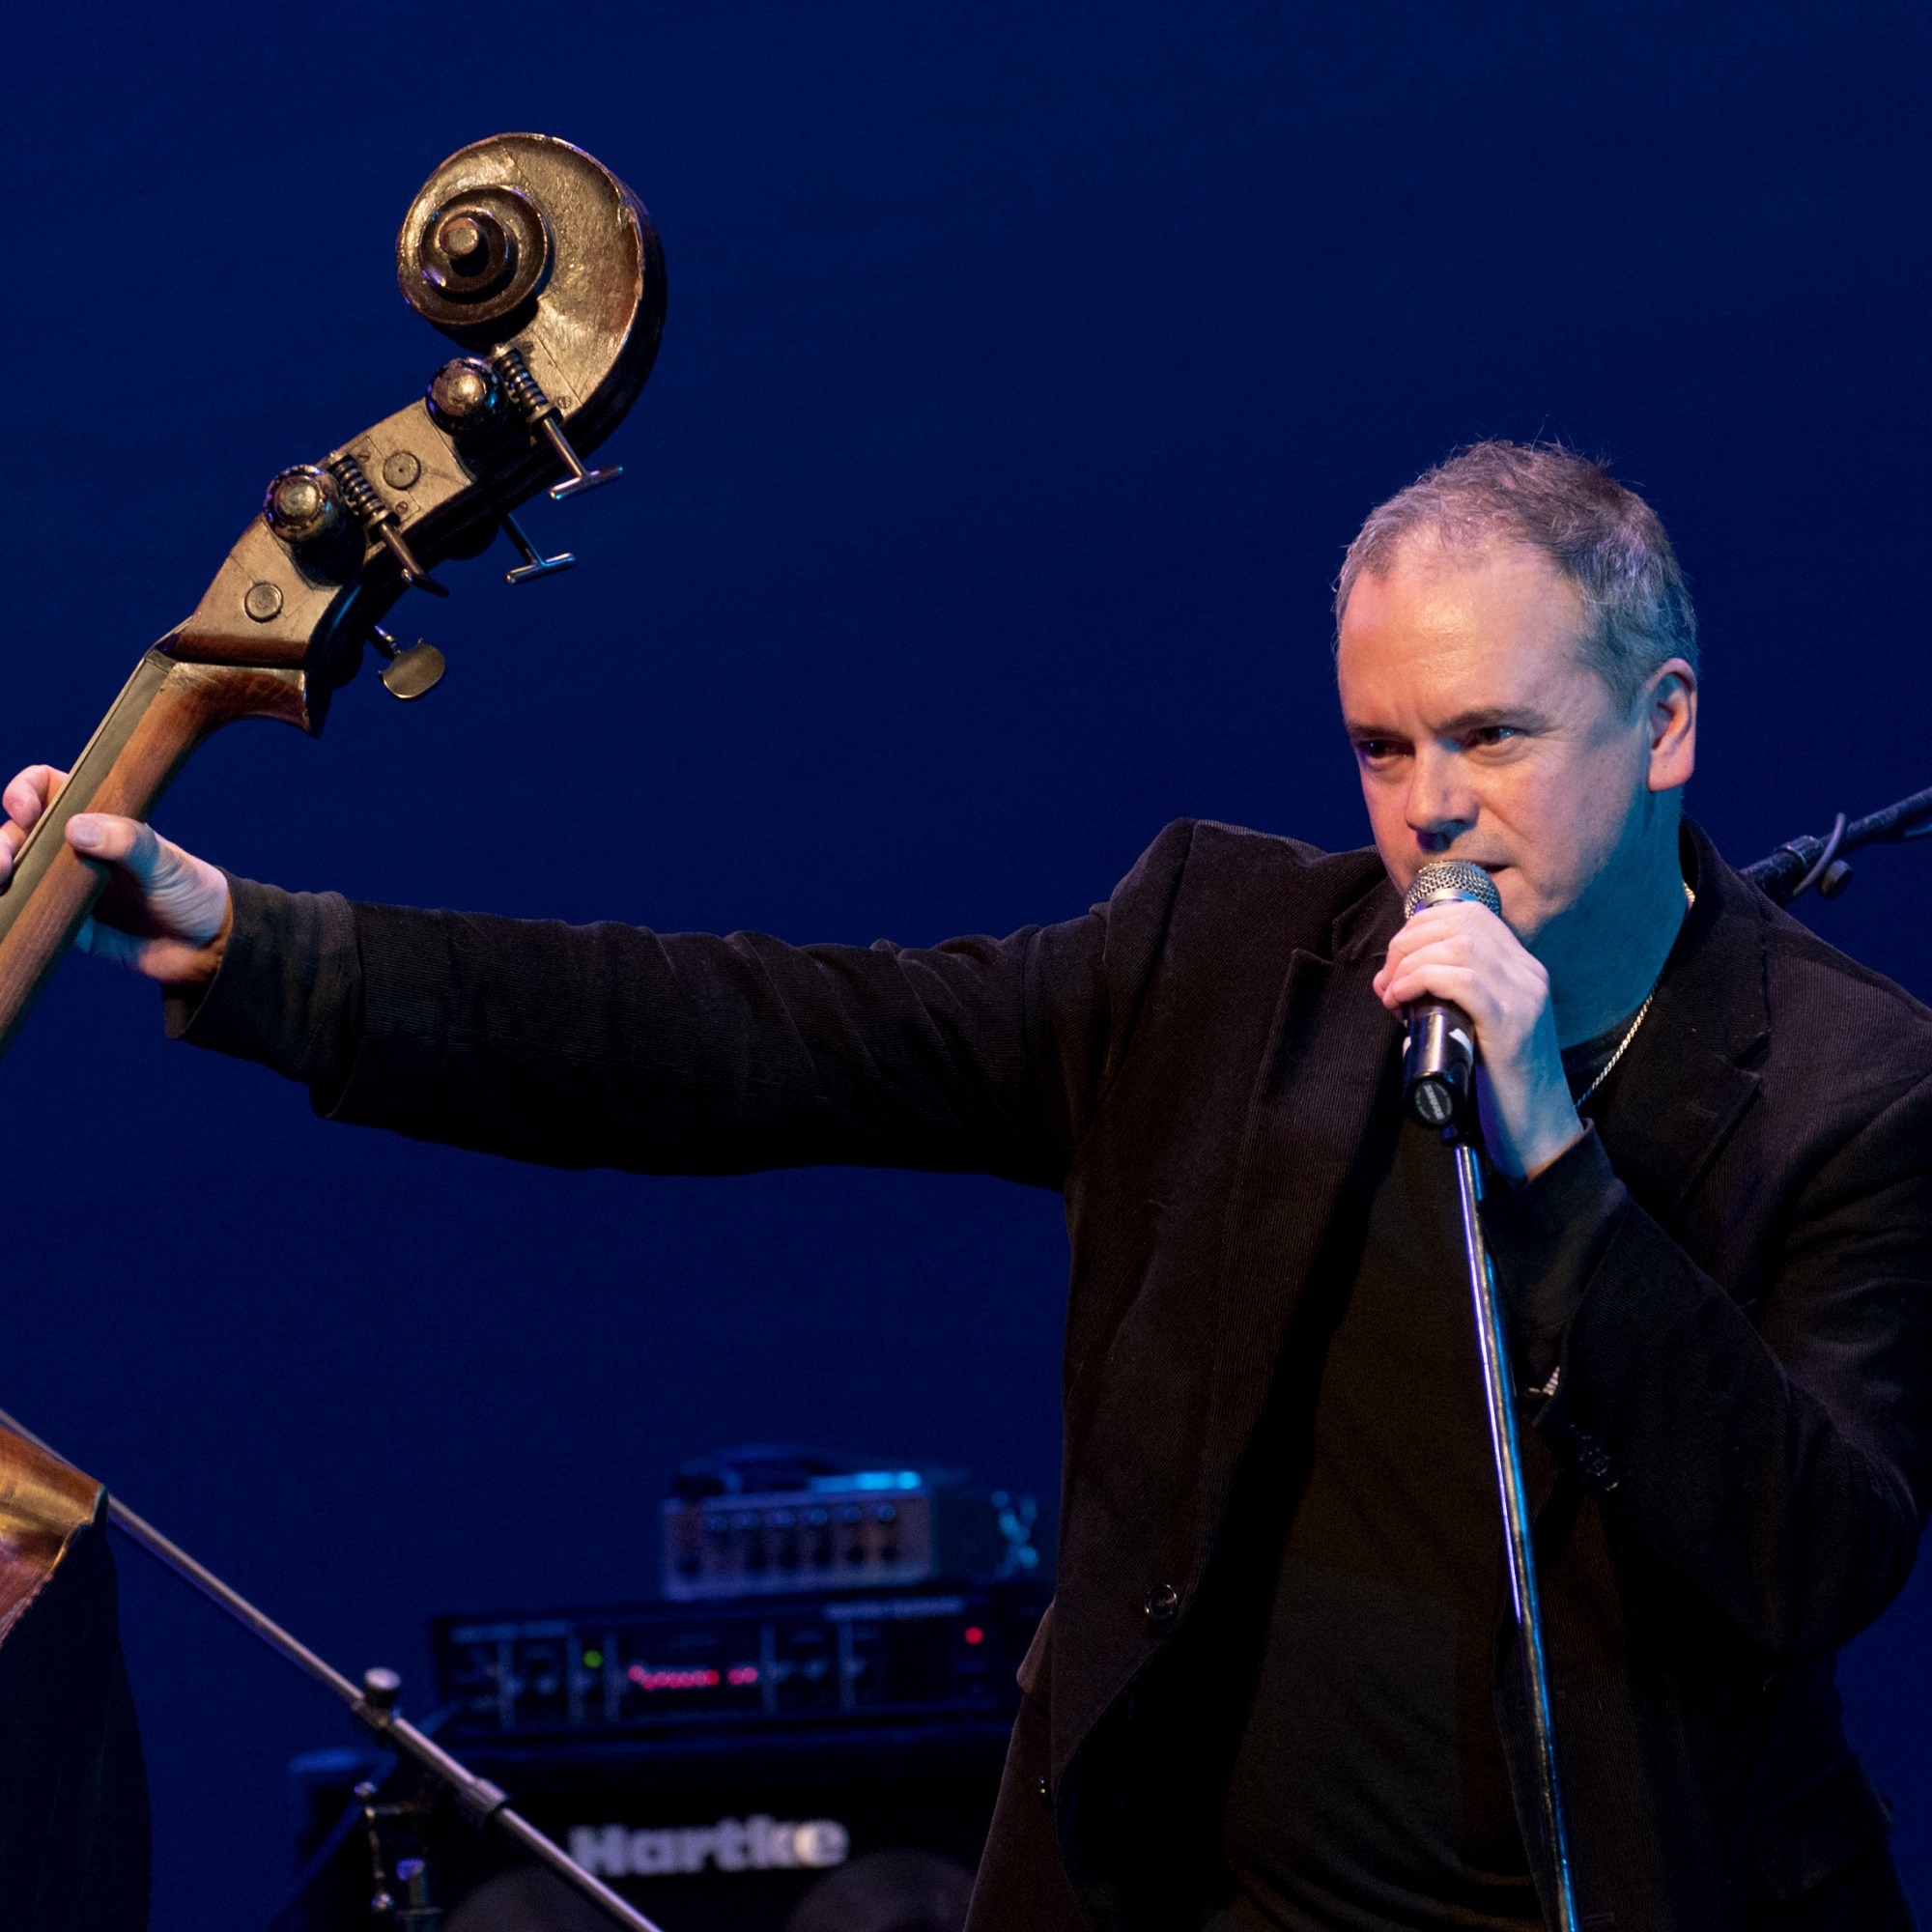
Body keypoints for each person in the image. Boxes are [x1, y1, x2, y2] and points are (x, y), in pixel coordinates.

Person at [6, 442, 1925, 1931]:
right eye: (1380, 744)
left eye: (1489, 735)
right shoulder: (1216, 963)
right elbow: (746, 1035)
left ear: (1665, 723)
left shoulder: (1853, 1091)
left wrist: (1551, 1153)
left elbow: (1808, 1556)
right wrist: (264, 951)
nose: (1428, 803)